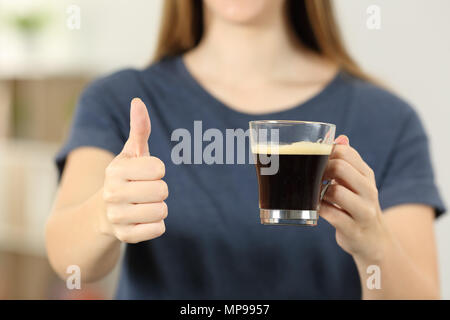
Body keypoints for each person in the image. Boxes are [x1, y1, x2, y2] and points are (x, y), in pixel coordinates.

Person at [46, 0, 446, 299]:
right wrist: (105, 214)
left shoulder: (388, 119)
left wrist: (374, 246)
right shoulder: (122, 101)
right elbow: (71, 261)